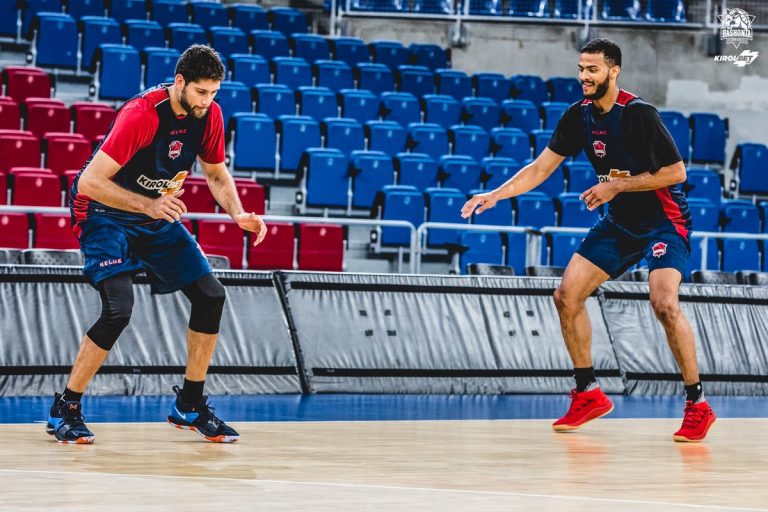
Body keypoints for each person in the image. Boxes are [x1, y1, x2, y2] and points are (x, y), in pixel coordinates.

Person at [461, 39, 716, 442]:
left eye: (592, 70)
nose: (584, 76)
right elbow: (540, 168)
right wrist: (495, 194)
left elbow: (676, 173)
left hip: (663, 223)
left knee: (663, 301)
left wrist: (618, 187)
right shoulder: (578, 116)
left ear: (614, 72)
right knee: (566, 294)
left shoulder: (639, 114)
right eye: (581, 69)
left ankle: (697, 403)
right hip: (619, 224)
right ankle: (588, 393)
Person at [45, 45, 267, 444]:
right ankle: (67, 405)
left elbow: (216, 174)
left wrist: (238, 213)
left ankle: (189, 405)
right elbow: (89, 183)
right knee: (118, 308)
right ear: (180, 82)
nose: (208, 100)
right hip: (103, 213)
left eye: (214, 92)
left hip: (152, 214)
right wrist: (149, 203)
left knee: (210, 295)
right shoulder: (142, 114)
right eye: (201, 92)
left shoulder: (209, 115)